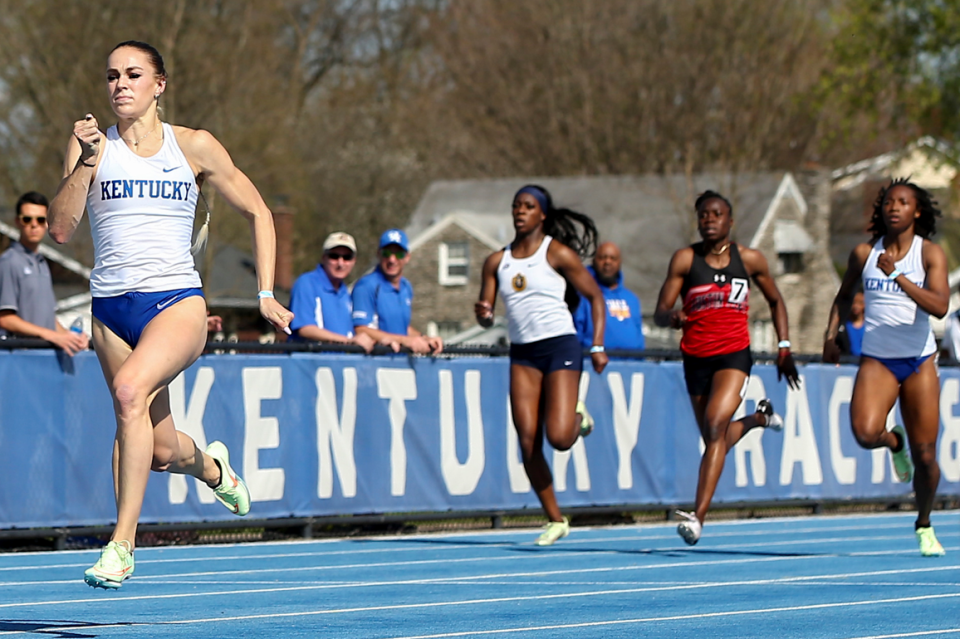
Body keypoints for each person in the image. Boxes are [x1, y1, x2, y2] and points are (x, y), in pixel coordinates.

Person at [48, 40, 293, 588]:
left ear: (159, 84)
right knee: (158, 449)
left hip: (176, 301)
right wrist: (86, 163)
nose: (120, 85)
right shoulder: (91, 144)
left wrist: (264, 294)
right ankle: (212, 467)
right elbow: (61, 229)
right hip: (111, 309)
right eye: (112, 75)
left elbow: (257, 209)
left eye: (133, 74)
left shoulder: (194, 146)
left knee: (129, 394)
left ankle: (121, 546)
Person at [654, 190, 799, 546]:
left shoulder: (749, 259)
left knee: (716, 426)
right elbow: (659, 310)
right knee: (712, 438)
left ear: (730, 222)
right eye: (703, 214)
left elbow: (777, 300)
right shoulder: (685, 260)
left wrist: (783, 346)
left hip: (734, 355)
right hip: (695, 358)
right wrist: (671, 317)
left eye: (716, 214)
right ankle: (759, 419)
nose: (709, 220)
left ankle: (698, 516)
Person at [475, 184, 608, 546]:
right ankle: (556, 519)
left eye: (528, 206)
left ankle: (579, 418)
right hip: (523, 353)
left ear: (542, 215)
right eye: (516, 205)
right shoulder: (496, 261)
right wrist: (484, 315)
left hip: (560, 346)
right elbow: (487, 315)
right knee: (528, 441)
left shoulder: (557, 253)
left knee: (560, 437)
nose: (520, 211)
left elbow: (595, 297)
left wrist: (596, 344)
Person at [823, 178, 948, 557]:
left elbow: (939, 306)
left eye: (903, 202)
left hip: (919, 361)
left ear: (917, 211)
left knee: (926, 457)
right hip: (877, 359)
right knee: (864, 433)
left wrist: (896, 274)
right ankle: (894, 442)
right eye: (889, 202)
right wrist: (830, 336)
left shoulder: (929, 254)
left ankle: (924, 524)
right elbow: (844, 296)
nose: (894, 207)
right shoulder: (864, 253)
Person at [0, 192, 89, 355]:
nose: (34, 225)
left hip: (44, 359)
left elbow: (48, 320)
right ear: (17, 222)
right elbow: (5, 319)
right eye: (27, 219)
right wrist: (51, 336)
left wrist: (70, 338)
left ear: (47, 224)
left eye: (40, 220)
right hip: (20, 360)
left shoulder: (42, 264)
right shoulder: (8, 262)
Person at [352, 228, 442, 354]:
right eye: (386, 253)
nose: (392, 260)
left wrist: (424, 338)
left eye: (399, 254)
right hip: (375, 364)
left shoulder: (406, 287)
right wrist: (404, 340)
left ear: (407, 257)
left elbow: (403, 328)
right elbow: (360, 329)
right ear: (379, 254)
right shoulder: (366, 286)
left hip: (401, 363)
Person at [289, 232, 375, 352]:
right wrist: (349, 342)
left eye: (347, 257)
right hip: (309, 365)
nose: (340, 263)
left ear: (354, 261)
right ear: (324, 257)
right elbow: (305, 328)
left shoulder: (346, 291)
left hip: (336, 364)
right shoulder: (307, 283)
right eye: (334, 256)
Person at [573, 241, 644, 351]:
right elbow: (576, 334)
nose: (607, 262)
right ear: (594, 261)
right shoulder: (584, 295)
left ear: (619, 262)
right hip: (593, 363)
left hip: (633, 364)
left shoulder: (632, 299)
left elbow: (638, 337)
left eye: (613, 258)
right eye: (602, 258)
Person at [835, 290, 865, 356]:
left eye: (860, 303)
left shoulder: (870, 326)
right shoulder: (841, 326)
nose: (856, 306)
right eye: (853, 302)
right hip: (847, 362)